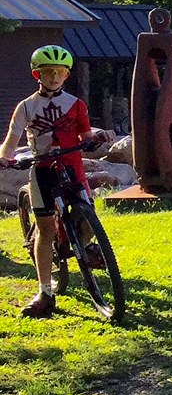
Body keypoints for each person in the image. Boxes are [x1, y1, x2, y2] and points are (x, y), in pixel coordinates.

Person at [0, 46, 113, 318]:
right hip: (42, 167)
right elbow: (12, 141)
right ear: (36, 74)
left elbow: (85, 136)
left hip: (72, 165)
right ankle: (45, 291)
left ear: (67, 75)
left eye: (59, 72)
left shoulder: (76, 105)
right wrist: (4, 158)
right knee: (45, 228)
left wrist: (98, 138)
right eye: (48, 72)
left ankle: (82, 245)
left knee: (89, 214)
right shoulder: (26, 107)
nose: (54, 77)